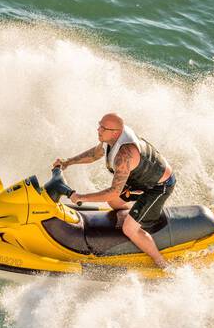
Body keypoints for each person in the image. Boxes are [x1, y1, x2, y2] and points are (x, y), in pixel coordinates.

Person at [53, 113, 176, 269]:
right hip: (140, 179)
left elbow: (113, 191)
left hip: (158, 186)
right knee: (113, 203)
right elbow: (94, 154)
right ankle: (137, 212)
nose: (98, 129)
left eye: (103, 128)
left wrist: (80, 197)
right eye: (99, 125)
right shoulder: (110, 139)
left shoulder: (125, 154)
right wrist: (67, 162)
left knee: (129, 228)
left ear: (116, 133)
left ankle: (162, 263)